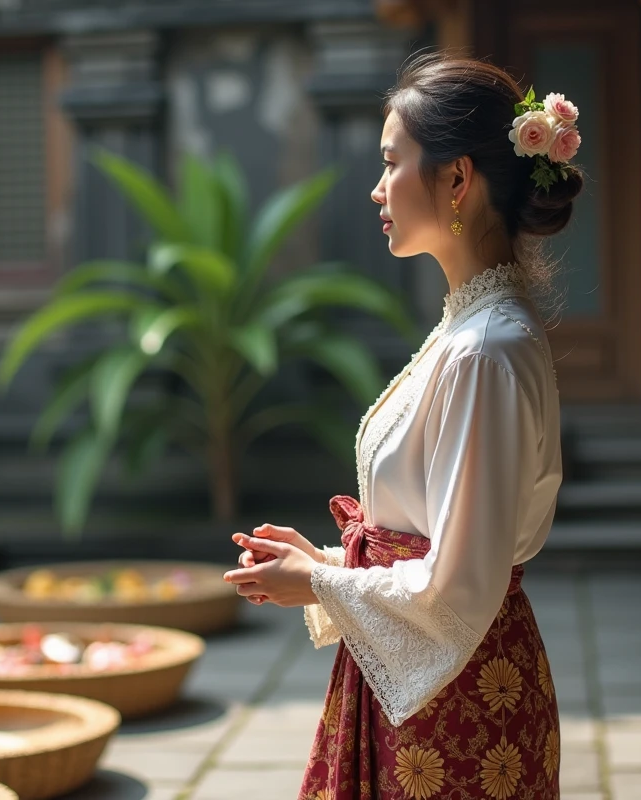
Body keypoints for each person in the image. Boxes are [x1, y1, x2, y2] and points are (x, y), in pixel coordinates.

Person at [223, 52, 583, 800]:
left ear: (457, 179)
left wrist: (321, 581)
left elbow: (459, 585)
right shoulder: (471, 328)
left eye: (392, 163)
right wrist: (324, 565)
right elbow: (443, 540)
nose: (377, 187)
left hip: (456, 710)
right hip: (439, 685)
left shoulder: (486, 349)